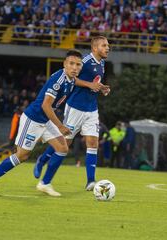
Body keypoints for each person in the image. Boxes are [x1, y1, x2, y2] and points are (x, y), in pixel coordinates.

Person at [0, 50, 106, 196]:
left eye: (78, 65)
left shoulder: (71, 78)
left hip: (46, 120)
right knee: (22, 156)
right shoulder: (58, 81)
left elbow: (76, 81)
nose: (75, 67)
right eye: (71, 64)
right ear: (65, 64)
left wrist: (93, 85)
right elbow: (45, 105)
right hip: (33, 119)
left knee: (62, 148)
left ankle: (45, 183)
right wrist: (60, 126)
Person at [34, 36, 110, 191]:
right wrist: (90, 84)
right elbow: (72, 79)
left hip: (92, 109)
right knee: (64, 143)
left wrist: (102, 88)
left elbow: (94, 82)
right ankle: (42, 161)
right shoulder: (86, 62)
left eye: (108, 45)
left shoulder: (102, 62)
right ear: (94, 48)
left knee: (93, 143)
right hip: (75, 108)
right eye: (104, 45)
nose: (108, 48)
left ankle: (91, 181)